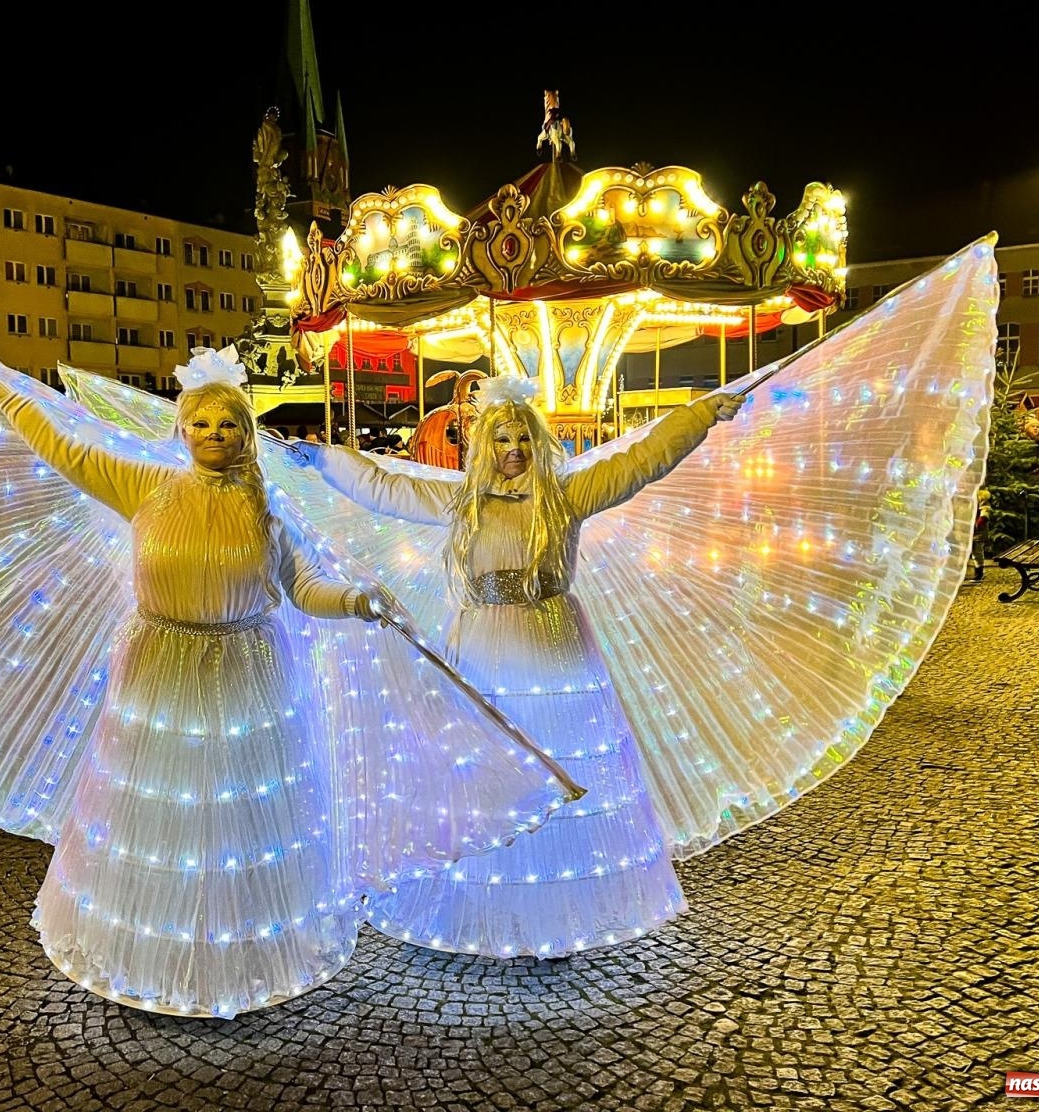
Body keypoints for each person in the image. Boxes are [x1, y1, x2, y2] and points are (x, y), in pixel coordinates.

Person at [0, 347, 565, 1016]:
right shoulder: (145, 487)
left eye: (230, 425)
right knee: (169, 817)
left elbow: (304, 586)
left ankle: (243, 949)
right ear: (182, 430)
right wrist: (3, 386)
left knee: (245, 817)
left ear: (247, 435)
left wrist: (356, 600)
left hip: (250, 672)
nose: (215, 436)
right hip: (163, 673)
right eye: (203, 424)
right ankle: (164, 953)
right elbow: (63, 447)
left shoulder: (265, 507)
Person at [292, 376, 745, 958]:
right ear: (485, 446)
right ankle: (487, 900)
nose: (513, 449)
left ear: (537, 441)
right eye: (502, 438)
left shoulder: (567, 495)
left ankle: (558, 905)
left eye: (522, 438)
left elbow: (642, 460)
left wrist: (699, 414)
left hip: (551, 641)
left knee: (558, 760)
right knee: (488, 763)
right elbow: (387, 487)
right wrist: (326, 459)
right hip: (482, 644)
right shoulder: (462, 502)